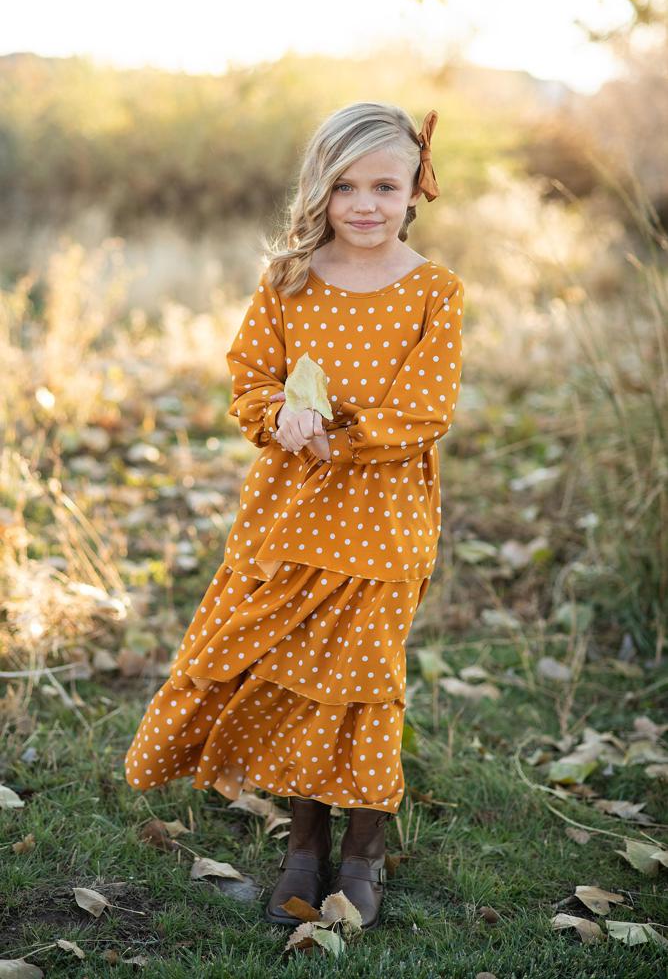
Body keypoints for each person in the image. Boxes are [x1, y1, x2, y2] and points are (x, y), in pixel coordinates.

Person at [124, 101, 465, 932]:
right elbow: (249, 380)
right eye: (344, 185)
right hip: (287, 517)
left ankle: (362, 853)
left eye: (384, 185)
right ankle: (304, 846)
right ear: (318, 188)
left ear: (416, 184)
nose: (364, 204)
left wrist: (337, 440)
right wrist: (278, 414)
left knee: (361, 681)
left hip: (381, 522)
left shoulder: (433, 291)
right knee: (294, 681)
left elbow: (424, 412)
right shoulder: (289, 281)